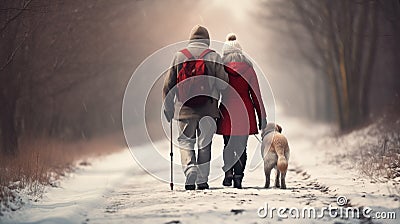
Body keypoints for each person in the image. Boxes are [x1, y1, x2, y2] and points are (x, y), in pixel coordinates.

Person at [163, 25, 228, 190]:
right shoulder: (213, 56)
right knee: (204, 144)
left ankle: (190, 168)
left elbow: (168, 85)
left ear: (191, 39)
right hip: (209, 109)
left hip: (184, 109)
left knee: (186, 141)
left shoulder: (179, 56)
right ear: (207, 40)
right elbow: (224, 84)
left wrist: (168, 107)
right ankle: (202, 179)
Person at [217, 33, 267, 189]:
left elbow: (215, 90)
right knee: (241, 147)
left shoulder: (221, 69)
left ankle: (228, 172)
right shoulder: (249, 69)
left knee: (227, 145)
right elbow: (256, 95)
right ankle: (238, 177)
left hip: (226, 110)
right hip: (245, 111)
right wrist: (262, 117)